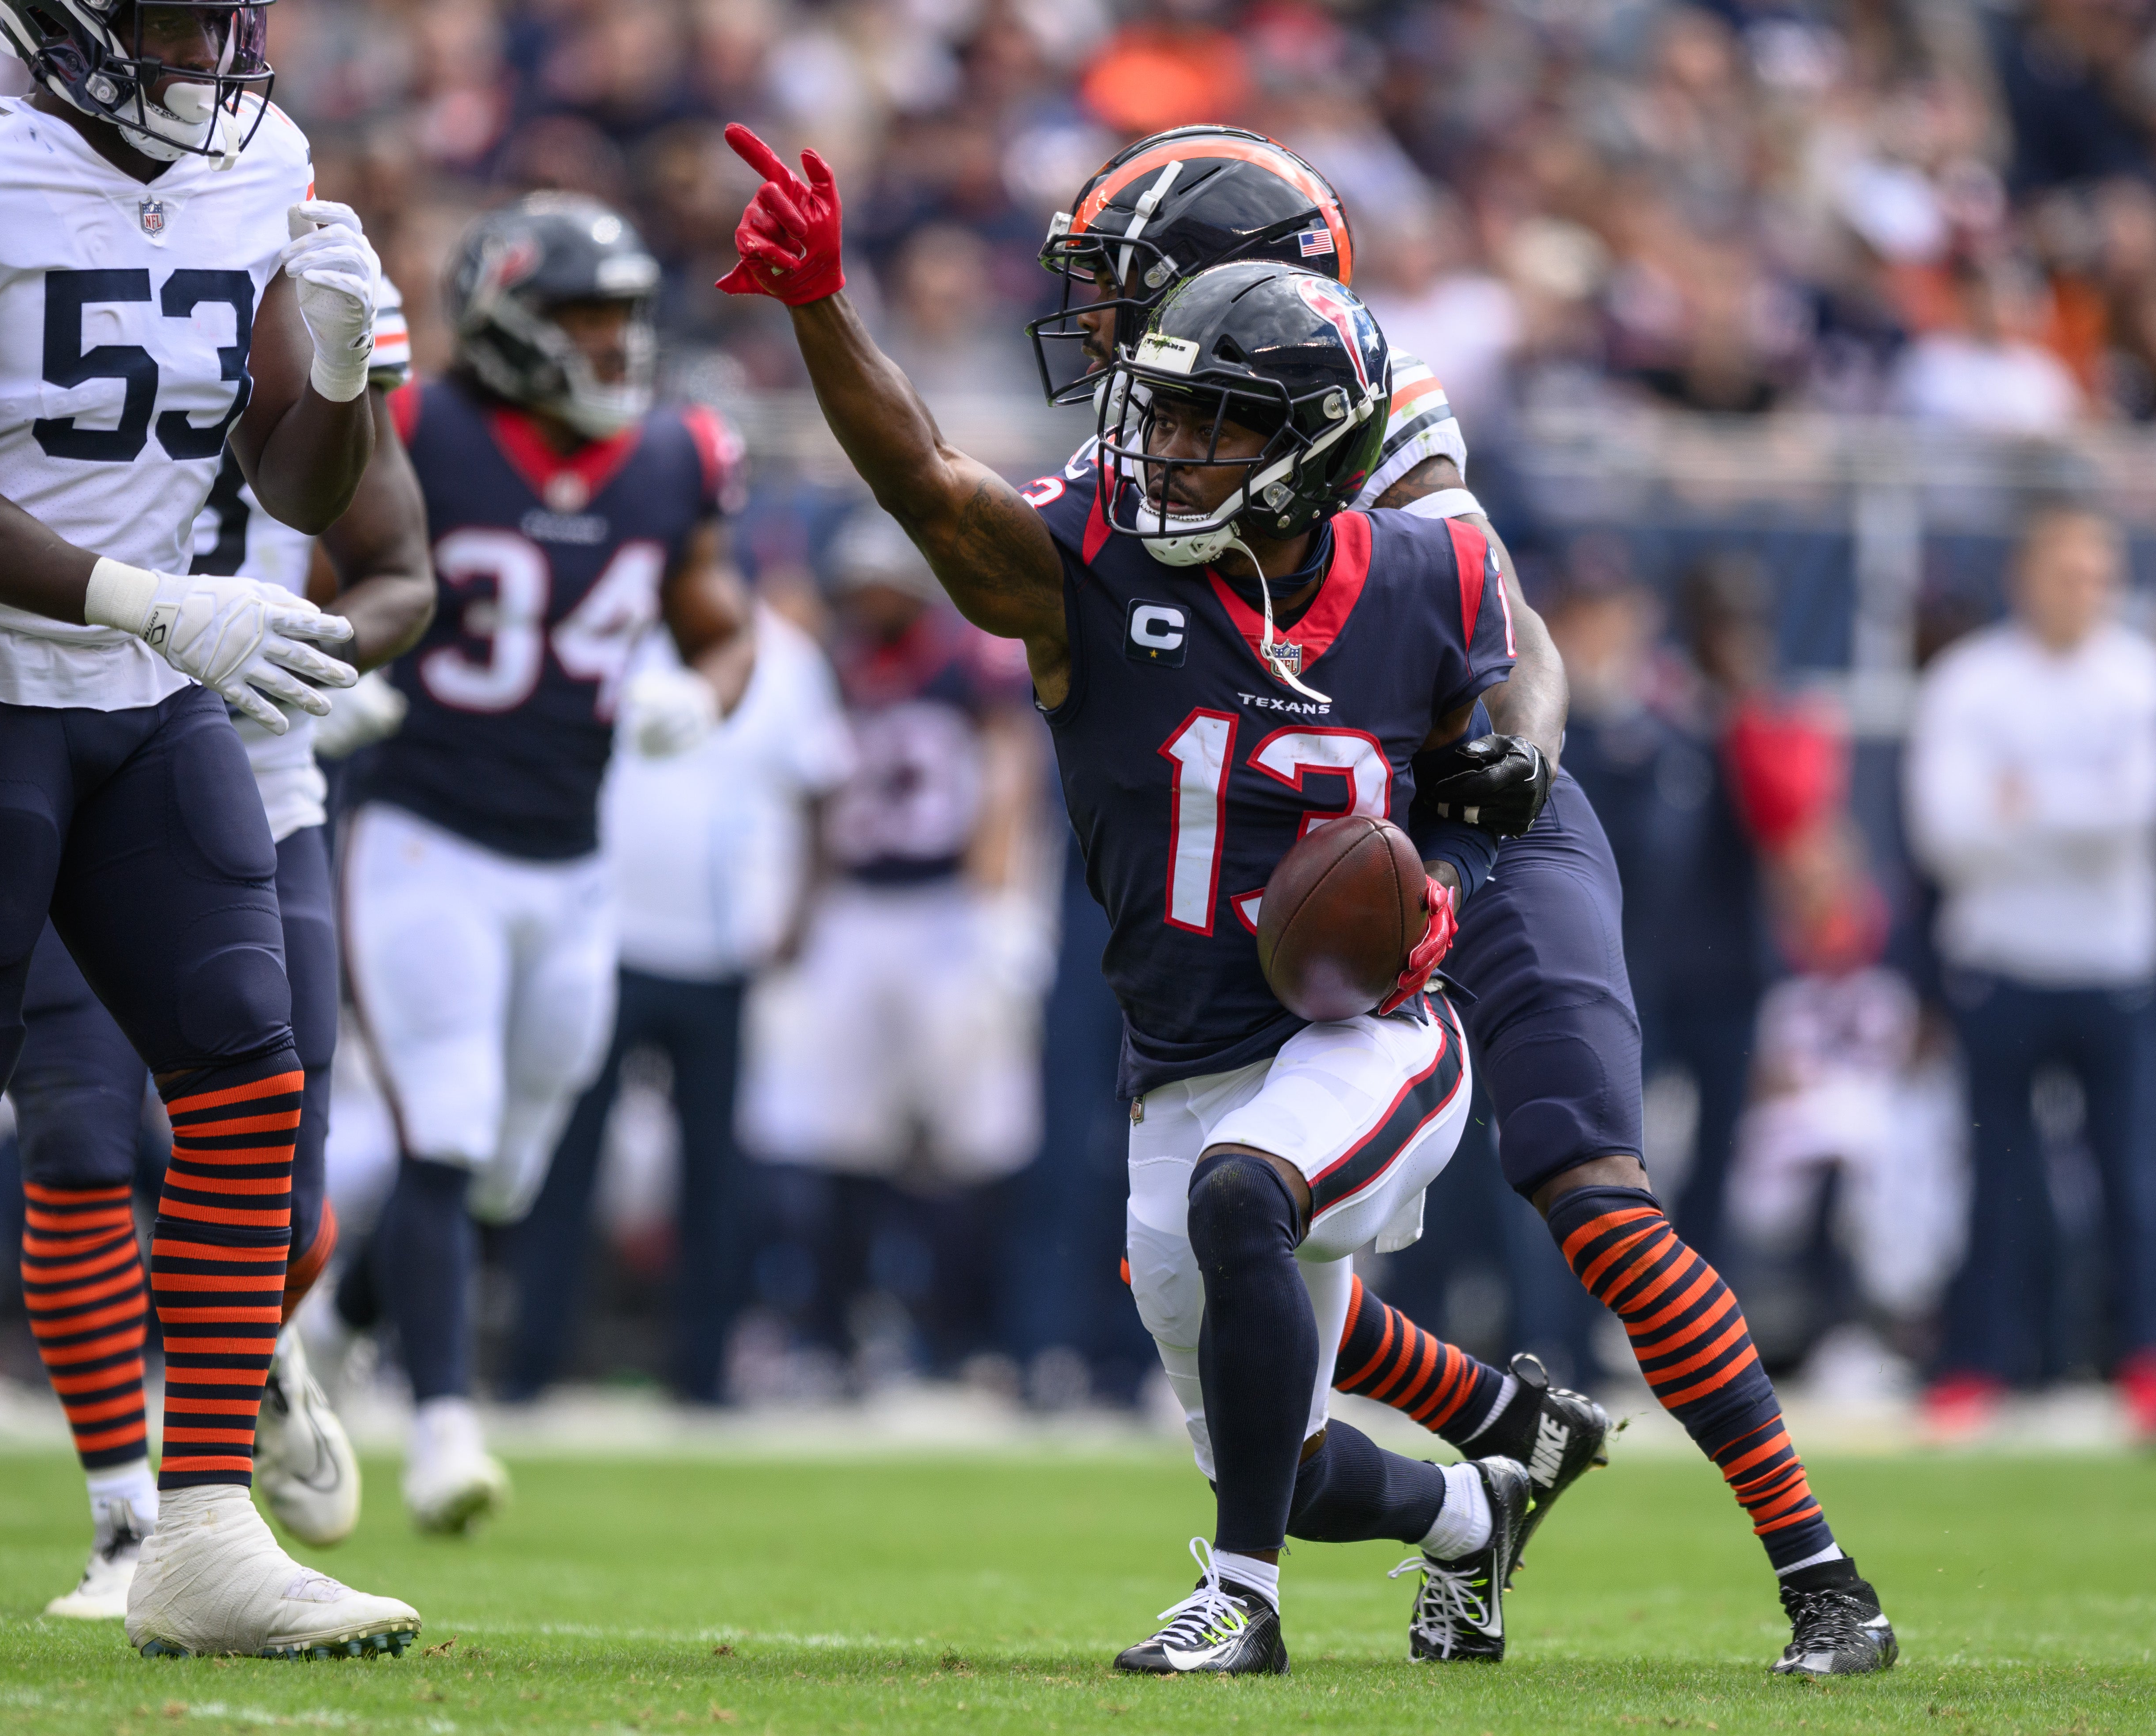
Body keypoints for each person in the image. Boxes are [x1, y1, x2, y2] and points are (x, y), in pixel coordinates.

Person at [1028, 126, 1892, 1675]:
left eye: (1117, 286)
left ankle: (1819, 1575)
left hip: (1457, 825)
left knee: (1587, 1190)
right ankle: (1502, 1432)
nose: (1094, 325)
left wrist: (1518, 760)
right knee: (1229, 1231)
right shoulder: (1149, 440)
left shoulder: (1355, 397)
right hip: (1306, 833)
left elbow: (1507, 626)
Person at [723, 124, 1536, 1674]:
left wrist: (1447, 876)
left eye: (1214, 429)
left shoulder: (1429, 575)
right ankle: (1469, 1508)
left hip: (1376, 1034)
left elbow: (1466, 789)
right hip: (1183, 1057)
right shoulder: (1090, 561)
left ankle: (1236, 1608)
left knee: (1248, 1190)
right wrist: (819, 309)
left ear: (1306, 448)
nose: (1166, 453)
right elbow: (924, 486)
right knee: (1280, 1459)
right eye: (1160, 417)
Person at [0, 0, 419, 1659]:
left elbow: (298, 483)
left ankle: (201, 1531)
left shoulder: (260, 164)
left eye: (222, 19)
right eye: (164, 18)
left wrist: (339, 371)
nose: (202, 53)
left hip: (140, 695)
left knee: (247, 1080)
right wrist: (143, 596)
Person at [20, 260, 431, 1624]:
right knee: (77, 1140)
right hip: (65, 750)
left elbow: (398, 576)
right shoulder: (46, 291)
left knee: (282, 1177)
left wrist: (320, 657)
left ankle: (252, 1361)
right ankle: (128, 1523)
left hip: (260, 785)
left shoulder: (299, 287)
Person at [338, 191, 755, 1534]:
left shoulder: (673, 456)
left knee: (504, 1167)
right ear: (511, 323)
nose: (612, 346)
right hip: (425, 835)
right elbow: (306, 563)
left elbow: (719, 623)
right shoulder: (418, 429)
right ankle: (444, 1429)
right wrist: (326, 671)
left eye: (624, 318)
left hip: (572, 863)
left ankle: (332, 1323)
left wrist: (709, 692)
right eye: (583, 318)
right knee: (449, 1133)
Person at [502, 583, 853, 1406]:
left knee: (715, 1174)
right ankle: (532, 1361)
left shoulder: (787, 659)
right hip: (606, 936)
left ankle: (703, 1374)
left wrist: (800, 913)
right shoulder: (608, 629)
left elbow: (822, 788)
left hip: (721, 948)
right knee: (566, 1157)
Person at [734, 508, 1043, 1386]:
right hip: (855, 909)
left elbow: (1006, 769)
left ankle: (972, 1335)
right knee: (831, 1132)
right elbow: (812, 796)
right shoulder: (829, 666)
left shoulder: (964, 660)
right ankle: (832, 1334)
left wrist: (999, 896)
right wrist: (799, 910)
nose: (869, 601)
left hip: (948, 905)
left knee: (978, 1132)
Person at [1906, 504, 2156, 1443]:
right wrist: (2069, 815)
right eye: (2070, 570)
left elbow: (2137, 813)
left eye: (2100, 573)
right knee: (1996, 1178)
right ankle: (1980, 1364)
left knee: (2134, 1180)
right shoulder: (1969, 682)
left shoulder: (2141, 677)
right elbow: (1946, 831)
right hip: (2000, 962)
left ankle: (2149, 1366)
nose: (2087, 591)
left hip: (2114, 964)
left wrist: (2021, 805)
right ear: (2025, 575)